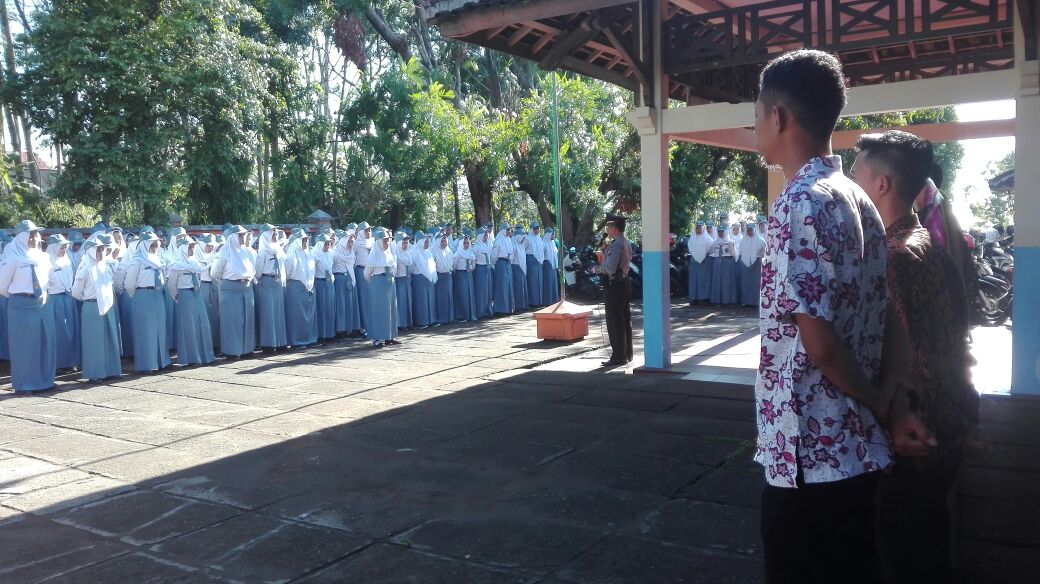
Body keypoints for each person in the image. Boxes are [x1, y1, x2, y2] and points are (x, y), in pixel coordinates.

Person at [752, 49, 892, 583]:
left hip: (810, 454)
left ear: (780, 117)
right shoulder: (857, 198)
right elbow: (887, 313)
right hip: (856, 448)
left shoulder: (798, 203)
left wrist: (879, 397)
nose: (755, 126)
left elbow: (820, 344)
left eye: (757, 114)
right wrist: (883, 400)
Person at [852, 130, 983, 583]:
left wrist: (896, 418)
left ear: (882, 185)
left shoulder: (889, 257)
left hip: (912, 438)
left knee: (899, 554)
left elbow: (907, 354)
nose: (851, 186)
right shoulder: (938, 250)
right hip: (948, 426)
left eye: (857, 176)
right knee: (931, 543)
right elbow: (958, 335)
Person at [0, 220, 57, 392]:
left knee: (45, 343)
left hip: (43, 303)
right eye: (30, 235)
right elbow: (2, 285)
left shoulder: (43, 256)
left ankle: (45, 382)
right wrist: (20, 295)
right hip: (21, 305)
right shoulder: (11, 258)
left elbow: (50, 279)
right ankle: (25, 384)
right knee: (24, 347)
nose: (34, 238)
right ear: (21, 237)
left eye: (35, 234)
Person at [72, 235, 122, 382]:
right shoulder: (85, 268)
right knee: (94, 342)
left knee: (108, 339)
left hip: (107, 306)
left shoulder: (104, 266)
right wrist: (90, 299)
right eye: (99, 251)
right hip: (92, 307)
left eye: (103, 250)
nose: (102, 253)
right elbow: (76, 292)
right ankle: (95, 373)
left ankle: (110, 370)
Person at [125, 232, 171, 373]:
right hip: (143, 295)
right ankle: (147, 364)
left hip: (157, 296)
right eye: (152, 243)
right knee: (145, 331)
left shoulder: (156, 259)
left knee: (160, 329)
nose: (156, 246)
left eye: (156, 243)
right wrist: (137, 296)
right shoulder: (137, 261)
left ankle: (161, 361)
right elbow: (129, 283)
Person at [165, 236, 215, 365]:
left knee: (201, 324)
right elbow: (172, 285)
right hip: (185, 295)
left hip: (196, 294)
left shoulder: (194, 263)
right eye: (190, 247)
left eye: (193, 246)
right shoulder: (176, 265)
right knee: (189, 327)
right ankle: (191, 357)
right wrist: (177, 296)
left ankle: (205, 355)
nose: (193, 249)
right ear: (183, 248)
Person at [211, 225, 256, 359]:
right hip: (230, 288)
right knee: (232, 320)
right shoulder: (225, 252)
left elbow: (252, 268)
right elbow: (215, 272)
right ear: (233, 237)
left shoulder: (246, 251)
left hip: (246, 287)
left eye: (243, 235)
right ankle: (232, 351)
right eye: (240, 236)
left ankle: (247, 349)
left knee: (247, 319)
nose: (243, 238)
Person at [599, 214, 633, 366]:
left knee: (615, 320)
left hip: (614, 284)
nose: (607, 229)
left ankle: (618, 355)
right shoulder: (624, 242)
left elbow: (611, 267)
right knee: (624, 318)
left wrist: (600, 267)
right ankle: (626, 353)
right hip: (623, 282)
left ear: (614, 227)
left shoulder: (617, 244)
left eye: (608, 226)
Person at [46, 233, 81, 372]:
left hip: (68, 298)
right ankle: (58, 362)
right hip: (55, 299)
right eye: (61, 247)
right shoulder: (47, 261)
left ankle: (70, 361)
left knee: (70, 330)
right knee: (59, 331)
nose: (64, 250)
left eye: (65, 247)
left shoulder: (66, 260)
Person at [364, 228, 400, 348]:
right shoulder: (373, 255)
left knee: (390, 309)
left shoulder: (389, 253)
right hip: (379, 284)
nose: (387, 243)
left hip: (390, 283)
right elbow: (367, 274)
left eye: (388, 240)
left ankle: (389, 336)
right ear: (379, 241)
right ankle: (377, 338)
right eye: (384, 241)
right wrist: (375, 283)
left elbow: (394, 268)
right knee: (379, 311)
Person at [255, 225, 288, 351]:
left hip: (277, 282)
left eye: (276, 234)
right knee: (268, 313)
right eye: (273, 234)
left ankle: (280, 342)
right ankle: (269, 344)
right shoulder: (263, 252)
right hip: (267, 281)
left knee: (279, 312)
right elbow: (257, 271)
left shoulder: (279, 250)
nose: (276, 236)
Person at [283, 229, 318, 348]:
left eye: (307, 240)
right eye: (303, 240)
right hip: (296, 289)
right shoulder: (291, 256)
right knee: (296, 316)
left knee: (308, 316)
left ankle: (309, 339)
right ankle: (296, 341)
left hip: (309, 289)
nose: (306, 242)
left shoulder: (309, 254)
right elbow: (287, 274)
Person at [333, 231, 361, 339]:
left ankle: (350, 329)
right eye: (348, 241)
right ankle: (340, 330)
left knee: (350, 304)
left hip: (350, 279)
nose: (350, 244)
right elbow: (332, 266)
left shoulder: (351, 253)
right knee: (341, 305)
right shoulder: (335, 253)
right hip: (340, 279)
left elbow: (352, 265)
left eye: (352, 241)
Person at [313, 233, 337, 344]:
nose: (328, 245)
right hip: (320, 283)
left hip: (329, 283)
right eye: (326, 243)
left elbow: (331, 268)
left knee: (330, 309)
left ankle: (330, 333)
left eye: (329, 243)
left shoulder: (330, 254)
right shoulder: (315, 255)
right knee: (321, 309)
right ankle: (321, 335)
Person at [409, 232, 438, 328]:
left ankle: (431, 320)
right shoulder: (414, 252)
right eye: (425, 242)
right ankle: (421, 322)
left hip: (428, 278)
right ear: (420, 242)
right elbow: (411, 267)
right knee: (421, 301)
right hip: (419, 279)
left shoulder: (428, 252)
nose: (427, 244)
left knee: (430, 299)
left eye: (427, 242)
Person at [737, 223, 765, 308]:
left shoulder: (761, 241)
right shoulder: (742, 240)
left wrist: (757, 257)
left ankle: (756, 302)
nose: (749, 232)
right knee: (745, 283)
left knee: (756, 284)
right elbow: (740, 252)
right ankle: (746, 301)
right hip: (744, 264)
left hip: (757, 264)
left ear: (754, 230)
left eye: (751, 230)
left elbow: (763, 252)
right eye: (748, 230)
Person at [687, 220, 714, 305]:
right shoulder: (692, 237)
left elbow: (712, 249)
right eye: (697, 227)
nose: (698, 229)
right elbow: (690, 247)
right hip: (694, 262)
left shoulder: (708, 238)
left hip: (705, 262)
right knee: (694, 280)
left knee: (704, 280)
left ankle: (705, 298)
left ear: (703, 228)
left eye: (700, 227)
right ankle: (694, 298)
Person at [709, 225, 737, 305]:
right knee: (717, 281)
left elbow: (734, 254)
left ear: (726, 232)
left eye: (722, 231)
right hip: (718, 262)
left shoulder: (730, 242)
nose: (720, 233)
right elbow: (711, 251)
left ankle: (728, 300)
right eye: (719, 231)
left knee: (727, 282)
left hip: (728, 263)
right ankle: (718, 300)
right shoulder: (715, 241)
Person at [354, 221, 373, 332]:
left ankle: (372, 324)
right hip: (361, 272)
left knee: (371, 299)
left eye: (369, 230)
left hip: (372, 272)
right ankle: (363, 326)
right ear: (361, 232)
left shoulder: (373, 243)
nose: (369, 232)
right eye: (366, 230)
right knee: (363, 299)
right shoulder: (357, 244)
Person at [453, 234, 477, 322]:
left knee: (470, 293)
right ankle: (462, 316)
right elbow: (454, 265)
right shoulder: (458, 253)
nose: (466, 244)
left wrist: (472, 267)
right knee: (463, 294)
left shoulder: (470, 252)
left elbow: (473, 261)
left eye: (467, 243)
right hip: (461, 274)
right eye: (464, 243)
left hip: (468, 274)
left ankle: (471, 314)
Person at [491, 224, 515, 315]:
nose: (510, 231)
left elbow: (511, 252)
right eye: (508, 229)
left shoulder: (508, 240)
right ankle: (501, 309)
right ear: (503, 231)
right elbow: (494, 256)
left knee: (508, 285)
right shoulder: (498, 241)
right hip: (500, 263)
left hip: (508, 263)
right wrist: (496, 263)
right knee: (502, 286)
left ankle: (509, 308)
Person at [432, 232, 455, 325]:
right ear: (438, 242)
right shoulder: (434, 252)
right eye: (442, 241)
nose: (444, 243)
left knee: (449, 297)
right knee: (441, 298)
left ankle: (450, 318)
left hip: (448, 276)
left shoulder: (449, 251)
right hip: (440, 277)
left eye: (445, 241)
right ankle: (442, 318)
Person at [472, 227, 494, 318]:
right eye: (484, 235)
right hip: (480, 269)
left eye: (487, 235)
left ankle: (488, 310)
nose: (486, 237)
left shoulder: (488, 244)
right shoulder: (476, 247)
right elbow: (474, 258)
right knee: (481, 291)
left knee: (488, 290)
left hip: (487, 269)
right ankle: (481, 312)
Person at [393, 233, 414, 330]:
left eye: (407, 243)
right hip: (399, 279)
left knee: (408, 301)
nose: (406, 245)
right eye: (404, 243)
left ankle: (409, 322)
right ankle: (401, 324)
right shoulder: (396, 255)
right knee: (401, 302)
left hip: (407, 279)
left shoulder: (408, 254)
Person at [524, 223, 544, 307]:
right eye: (535, 229)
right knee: (532, 282)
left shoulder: (539, 238)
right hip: (531, 261)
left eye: (538, 228)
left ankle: (539, 301)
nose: (537, 230)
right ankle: (532, 302)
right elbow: (523, 250)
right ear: (532, 229)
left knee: (539, 282)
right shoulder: (528, 238)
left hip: (539, 262)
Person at [511, 228, 529, 311]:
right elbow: (511, 258)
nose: (523, 239)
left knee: (522, 287)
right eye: (522, 237)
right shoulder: (514, 245)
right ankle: (518, 307)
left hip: (522, 268)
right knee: (518, 287)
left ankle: (523, 305)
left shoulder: (521, 246)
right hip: (516, 267)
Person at [543, 227, 560, 305]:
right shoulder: (544, 244)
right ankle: (547, 301)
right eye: (552, 234)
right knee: (548, 283)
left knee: (553, 283)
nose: (553, 236)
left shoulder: (553, 243)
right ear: (548, 235)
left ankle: (554, 300)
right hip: (547, 265)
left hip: (553, 266)